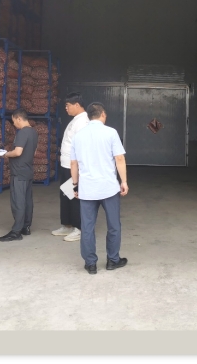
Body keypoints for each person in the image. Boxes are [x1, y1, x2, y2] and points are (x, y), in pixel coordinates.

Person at [70, 102, 129, 275]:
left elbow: (73, 163)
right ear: (102, 114)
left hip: (87, 189)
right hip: (108, 188)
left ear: (89, 116)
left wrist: (75, 185)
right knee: (114, 225)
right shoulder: (111, 133)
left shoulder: (78, 136)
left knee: (87, 227)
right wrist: (124, 181)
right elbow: (119, 158)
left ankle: (90, 264)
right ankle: (113, 260)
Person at [51, 93, 89, 242]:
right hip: (66, 165)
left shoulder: (83, 122)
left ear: (77, 105)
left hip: (74, 167)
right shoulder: (75, 120)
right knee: (66, 195)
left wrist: (77, 169)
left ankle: (79, 228)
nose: (66, 108)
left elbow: (82, 147)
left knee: (75, 196)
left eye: (68, 105)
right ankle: (67, 224)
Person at [0, 108, 39, 242]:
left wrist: (6, 154)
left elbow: (17, 152)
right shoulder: (33, 132)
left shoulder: (22, 132)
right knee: (27, 200)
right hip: (27, 170)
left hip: (19, 172)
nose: (14, 124)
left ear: (19, 119)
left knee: (18, 202)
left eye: (14, 121)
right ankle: (26, 227)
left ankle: (16, 231)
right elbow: (33, 152)